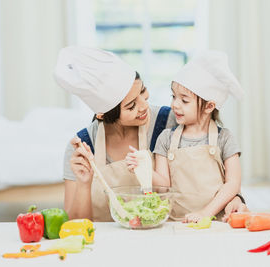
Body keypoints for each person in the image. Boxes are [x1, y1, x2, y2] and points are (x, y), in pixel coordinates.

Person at [55, 46, 247, 221]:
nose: (144, 105)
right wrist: (83, 183)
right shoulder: (82, 149)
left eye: (143, 91)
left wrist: (236, 199)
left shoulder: (170, 121)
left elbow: (214, 174)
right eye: (131, 105)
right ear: (102, 114)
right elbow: (75, 223)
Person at [145, 50, 244, 223]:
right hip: (177, 222)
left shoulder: (224, 138)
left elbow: (233, 184)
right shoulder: (166, 138)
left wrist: (206, 213)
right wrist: (144, 168)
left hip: (215, 222)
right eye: (173, 96)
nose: (174, 104)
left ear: (209, 106)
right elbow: (163, 187)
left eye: (184, 100)